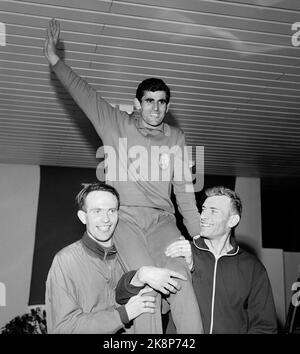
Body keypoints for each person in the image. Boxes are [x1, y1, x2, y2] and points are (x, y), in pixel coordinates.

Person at [44, 19, 203, 334]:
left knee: (179, 278)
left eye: (161, 102)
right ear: (137, 103)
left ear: (167, 106)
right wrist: (55, 61)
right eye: (149, 101)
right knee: (146, 283)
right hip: (127, 220)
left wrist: (198, 237)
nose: (155, 108)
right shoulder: (115, 123)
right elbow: (84, 94)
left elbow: (184, 191)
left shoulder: (176, 136)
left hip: (163, 221)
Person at [45, 182, 188, 334]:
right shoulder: (66, 261)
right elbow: (63, 329)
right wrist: (123, 314)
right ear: (83, 217)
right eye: (97, 211)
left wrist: (186, 263)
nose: (106, 219)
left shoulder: (135, 252)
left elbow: (164, 307)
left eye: (111, 211)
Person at [165, 186, 278, 334]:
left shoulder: (252, 267)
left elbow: (265, 326)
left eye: (213, 211)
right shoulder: (184, 252)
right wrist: (189, 268)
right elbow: (163, 304)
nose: (203, 216)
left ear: (232, 220)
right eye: (204, 209)